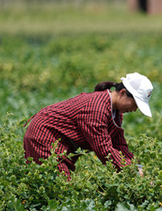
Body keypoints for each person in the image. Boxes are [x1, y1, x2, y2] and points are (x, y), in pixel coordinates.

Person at [23, 72, 153, 179]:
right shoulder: (96, 108)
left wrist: (136, 167)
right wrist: (132, 173)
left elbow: (119, 144)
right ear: (122, 93)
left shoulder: (116, 113)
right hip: (44, 137)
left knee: (60, 186)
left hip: (63, 144)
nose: (135, 109)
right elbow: (104, 149)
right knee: (58, 186)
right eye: (135, 103)